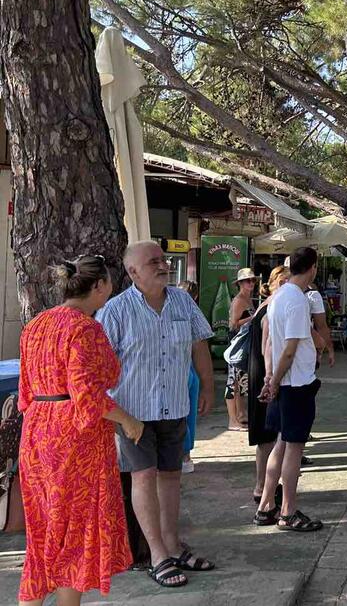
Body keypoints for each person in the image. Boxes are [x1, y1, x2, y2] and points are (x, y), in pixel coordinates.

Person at [17, 256, 143, 606]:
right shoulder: (84, 328)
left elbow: (26, 392)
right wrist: (128, 420)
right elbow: (86, 394)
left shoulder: (36, 324)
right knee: (73, 534)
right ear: (99, 286)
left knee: (43, 535)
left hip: (37, 433)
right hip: (73, 440)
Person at [96, 242, 216, 588]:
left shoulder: (182, 301)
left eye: (163, 260)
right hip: (133, 414)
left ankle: (173, 545)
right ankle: (157, 555)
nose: (163, 265)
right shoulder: (115, 311)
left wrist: (207, 387)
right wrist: (112, 414)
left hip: (174, 407)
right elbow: (100, 367)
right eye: (154, 262)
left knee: (171, 477)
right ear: (133, 272)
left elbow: (199, 344)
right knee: (144, 477)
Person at [255, 247, 325, 532]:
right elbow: (290, 349)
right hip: (296, 383)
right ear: (313, 267)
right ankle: (287, 511)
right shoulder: (297, 300)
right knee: (294, 448)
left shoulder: (279, 296)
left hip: (283, 381)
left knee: (281, 443)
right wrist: (273, 380)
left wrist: (270, 377)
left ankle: (265, 505)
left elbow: (271, 343)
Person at [248, 266, 289, 507]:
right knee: (270, 435)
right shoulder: (273, 306)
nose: (286, 286)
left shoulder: (264, 305)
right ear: (274, 284)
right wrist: (272, 379)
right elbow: (268, 347)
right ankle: (264, 488)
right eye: (282, 281)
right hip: (266, 376)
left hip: (260, 374)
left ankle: (262, 486)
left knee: (267, 434)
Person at [226, 268, 256, 431]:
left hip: (244, 344)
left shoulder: (248, 299)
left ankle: (241, 415)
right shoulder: (239, 300)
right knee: (233, 382)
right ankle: (233, 419)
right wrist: (253, 317)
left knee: (241, 381)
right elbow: (233, 324)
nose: (251, 283)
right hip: (237, 344)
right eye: (247, 281)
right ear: (240, 283)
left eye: (252, 280)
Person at [177, 280, 200, 475]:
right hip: (190, 370)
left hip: (182, 371)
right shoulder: (193, 313)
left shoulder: (176, 313)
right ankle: (186, 455)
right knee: (188, 415)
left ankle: (184, 455)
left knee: (181, 416)